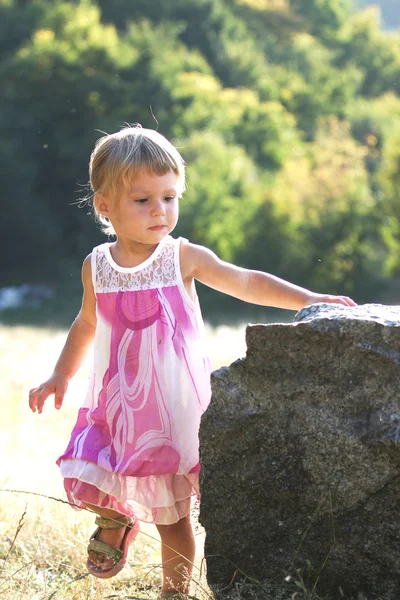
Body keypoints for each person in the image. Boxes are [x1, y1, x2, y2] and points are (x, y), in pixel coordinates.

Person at [28, 125, 356, 597]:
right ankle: (116, 516)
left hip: (176, 414)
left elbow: (244, 281)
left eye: (169, 197)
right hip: (119, 404)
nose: (160, 211)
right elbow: (86, 323)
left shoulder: (180, 258)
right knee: (101, 469)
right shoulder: (96, 265)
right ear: (105, 205)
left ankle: (174, 592)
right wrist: (61, 373)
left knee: (173, 516)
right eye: (142, 200)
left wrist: (308, 298)